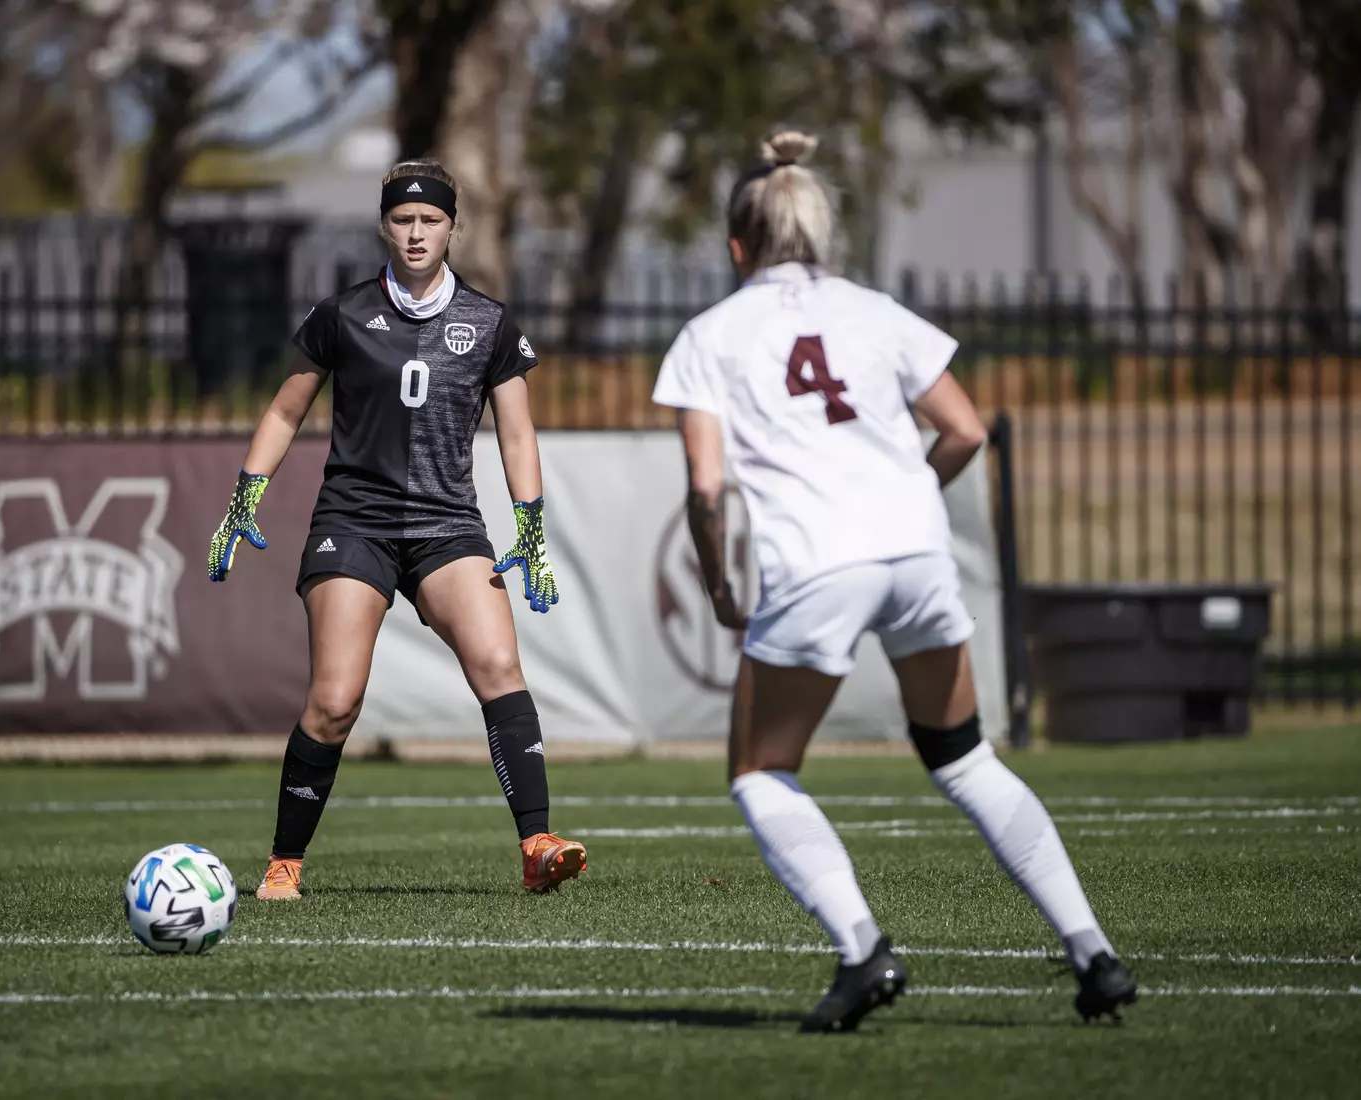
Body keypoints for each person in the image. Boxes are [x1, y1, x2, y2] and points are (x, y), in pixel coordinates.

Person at [651, 131, 1137, 1032]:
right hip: (916, 553)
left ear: (735, 246)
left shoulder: (708, 336)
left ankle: (862, 950)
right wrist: (911, 495)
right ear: (822, 237)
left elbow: (707, 486)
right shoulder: (876, 311)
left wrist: (720, 586)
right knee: (962, 756)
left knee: (761, 772)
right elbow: (964, 431)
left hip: (814, 563)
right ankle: (1093, 955)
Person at [207, 158, 586, 900]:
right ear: (385, 225)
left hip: (447, 526)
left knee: (500, 669)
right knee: (336, 700)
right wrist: (245, 496)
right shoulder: (341, 314)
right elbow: (286, 412)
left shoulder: (489, 322)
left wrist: (529, 527)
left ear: (452, 227)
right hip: (355, 524)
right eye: (403, 220)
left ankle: (536, 843)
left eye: (431, 220)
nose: (416, 234)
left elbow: (516, 435)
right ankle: (285, 861)